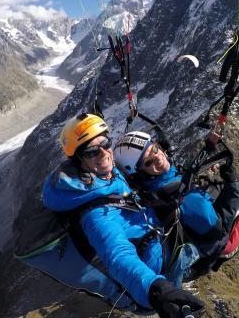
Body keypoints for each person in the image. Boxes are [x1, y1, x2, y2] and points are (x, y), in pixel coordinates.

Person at [41, 113, 205, 318]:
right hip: (157, 267)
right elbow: (117, 255)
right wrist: (158, 290)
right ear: (79, 160)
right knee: (211, 227)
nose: (103, 153)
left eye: (105, 143)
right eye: (92, 152)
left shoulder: (100, 176)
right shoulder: (97, 216)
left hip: (154, 236)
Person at [113, 131, 239, 273]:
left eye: (154, 149)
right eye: (149, 161)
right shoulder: (181, 197)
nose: (159, 157)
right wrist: (232, 184)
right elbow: (216, 230)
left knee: (217, 185)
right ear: (141, 173)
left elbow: (184, 176)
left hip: (198, 230)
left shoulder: (156, 188)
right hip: (219, 243)